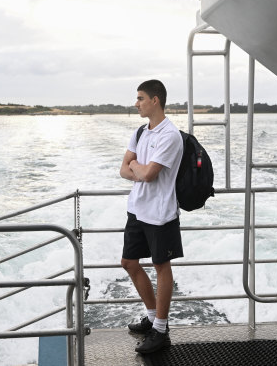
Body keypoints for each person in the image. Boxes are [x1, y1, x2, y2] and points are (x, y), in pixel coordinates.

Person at [119, 79, 184, 354]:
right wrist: (136, 167)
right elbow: (123, 170)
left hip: (160, 213)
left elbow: (147, 174)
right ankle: (152, 316)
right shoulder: (140, 132)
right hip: (137, 209)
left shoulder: (170, 135)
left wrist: (135, 165)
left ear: (155, 100)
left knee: (161, 266)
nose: (137, 104)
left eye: (141, 98)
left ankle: (161, 330)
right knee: (129, 262)